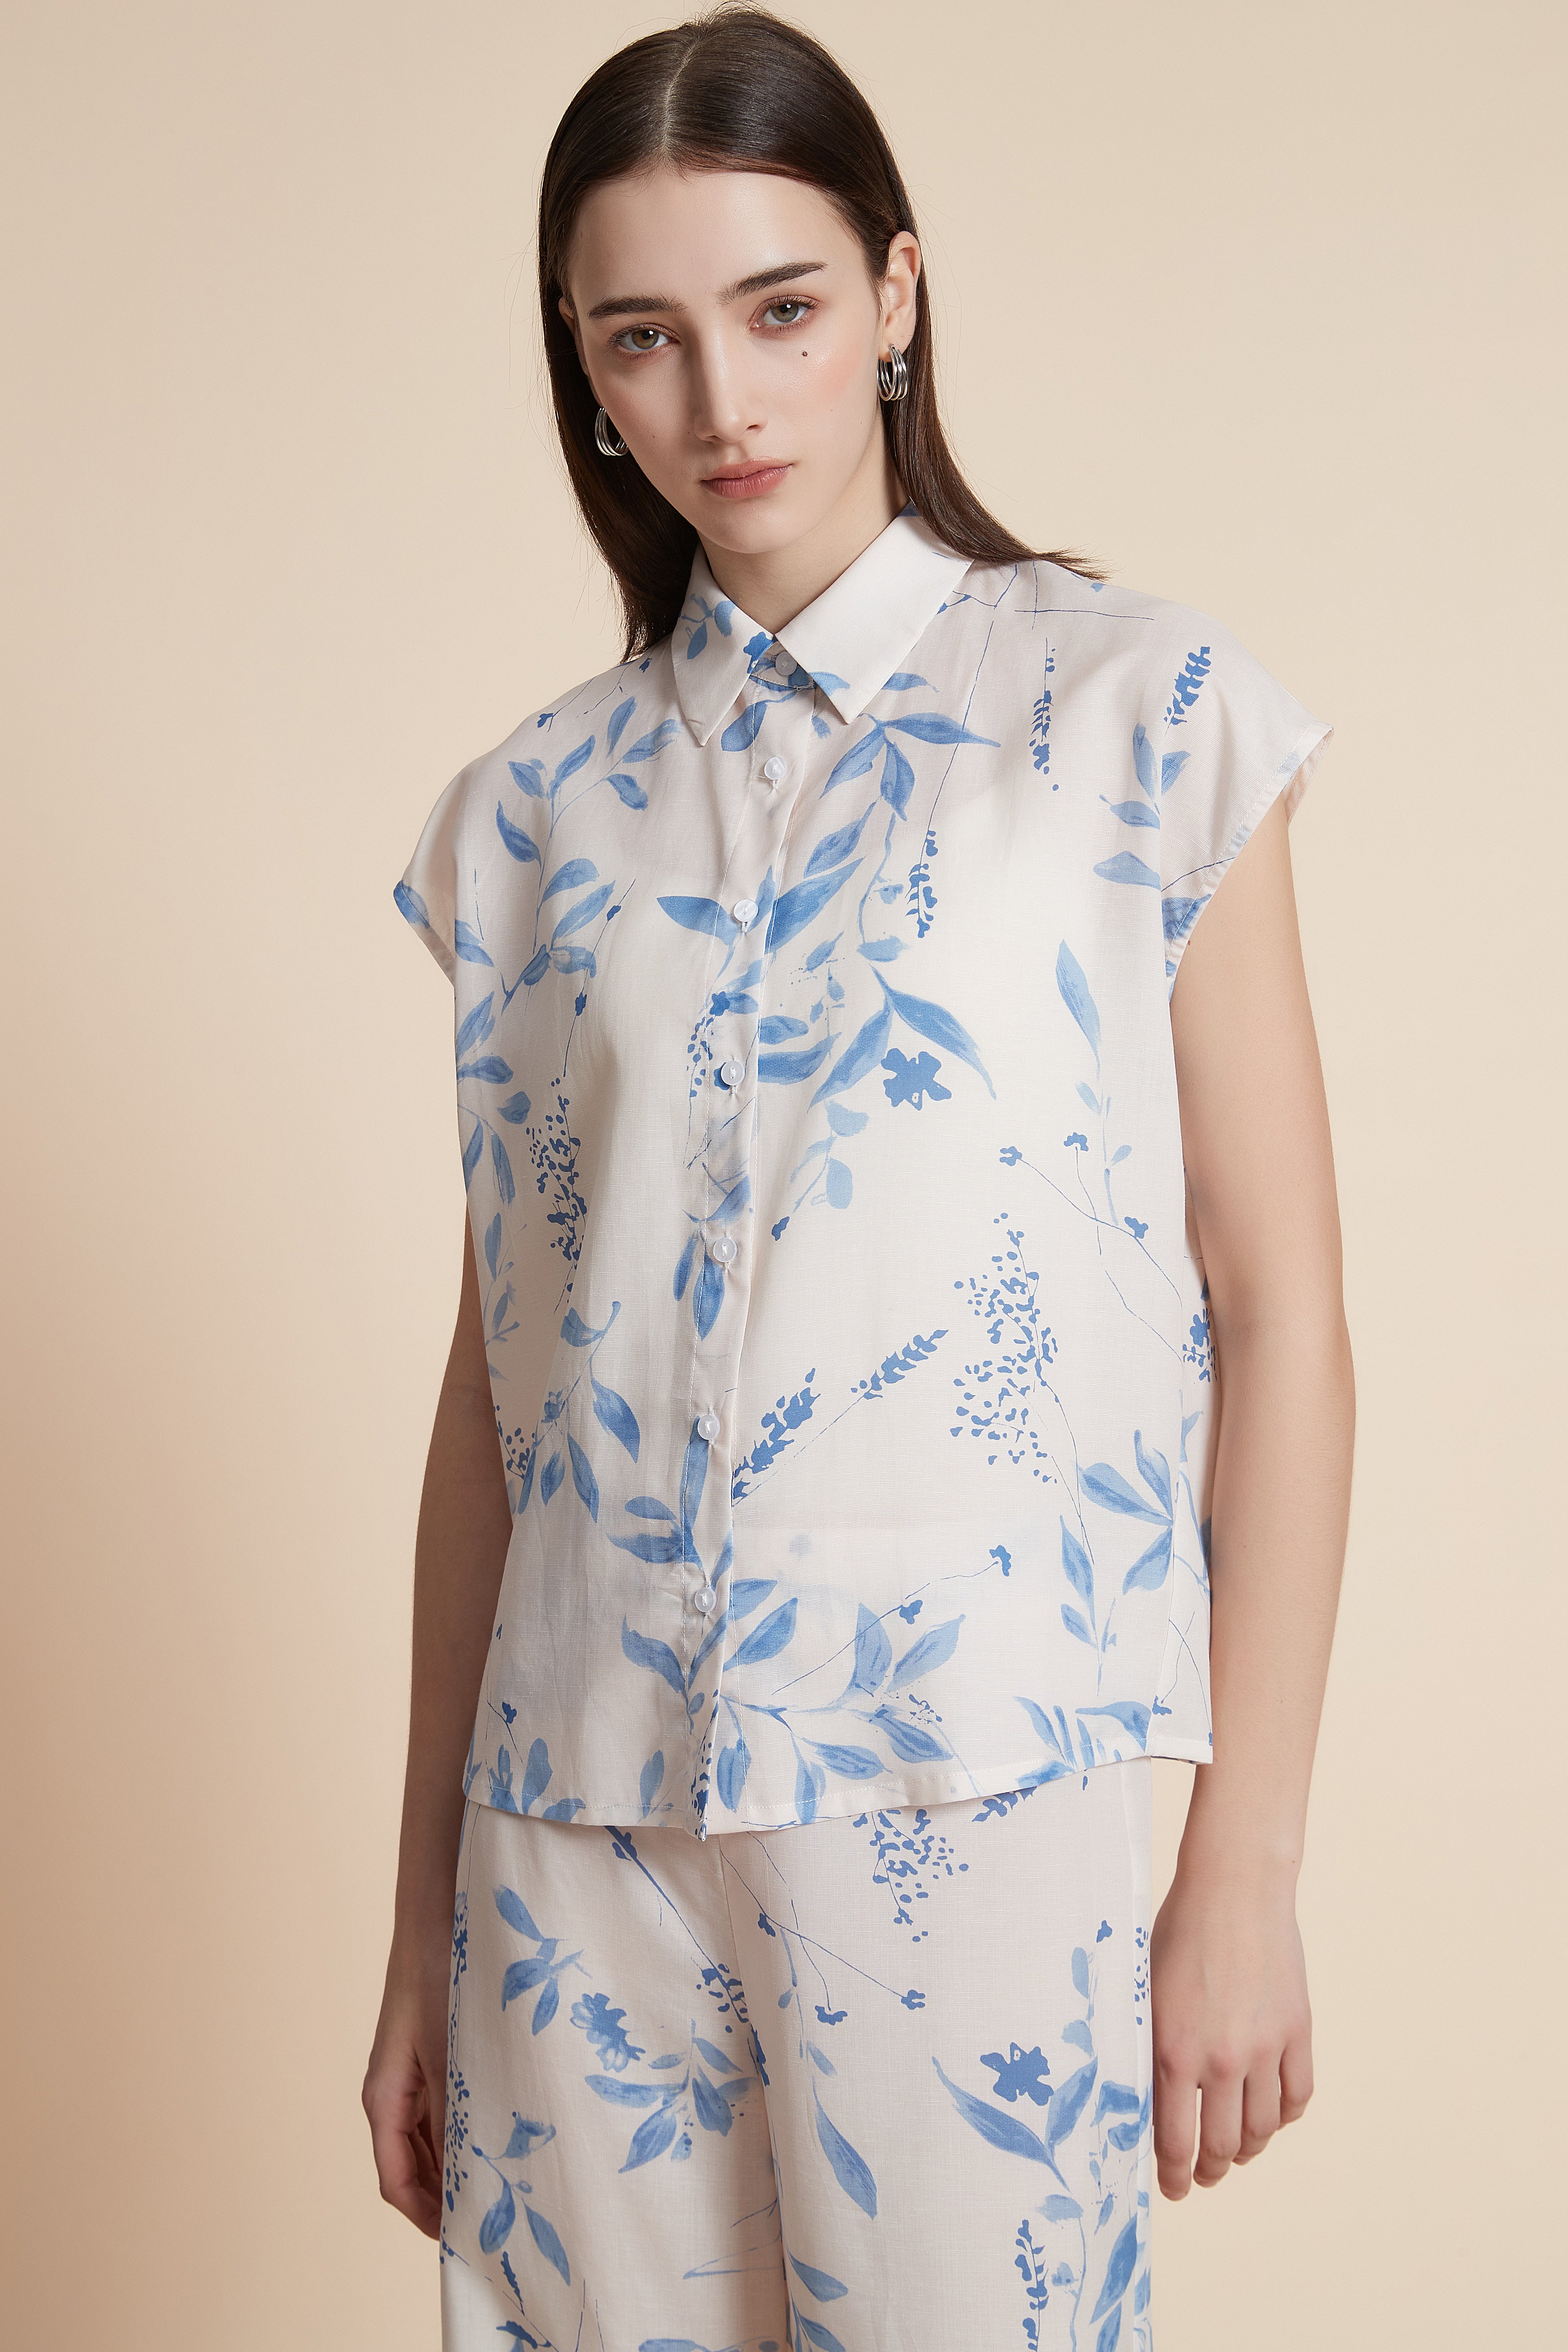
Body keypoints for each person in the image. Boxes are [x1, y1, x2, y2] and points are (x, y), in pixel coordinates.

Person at [363, 9, 1355, 2346]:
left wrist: (1244, 1864)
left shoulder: (1138, 718)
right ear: (586, 371)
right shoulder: (530, 818)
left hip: (973, 1786)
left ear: (898, 290)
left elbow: (1283, 1307)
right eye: (643, 336)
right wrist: (418, 1932)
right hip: (573, 1829)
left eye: (783, 307)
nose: (726, 399)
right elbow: (502, 1402)